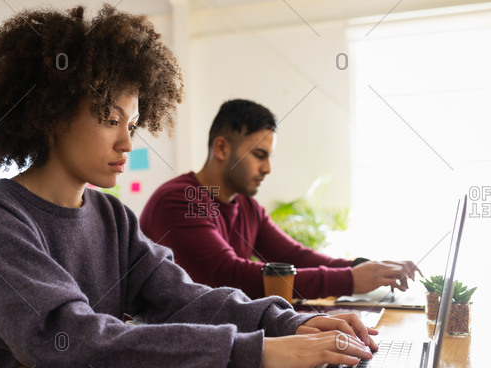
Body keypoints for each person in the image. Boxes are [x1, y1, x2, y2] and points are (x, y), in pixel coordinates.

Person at [0, 6, 378, 368]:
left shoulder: (111, 215)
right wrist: (256, 350)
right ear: (53, 114)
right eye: (111, 119)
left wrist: (288, 323)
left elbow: (183, 298)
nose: (127, 143)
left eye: (132, 123)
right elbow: (71, 337)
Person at [140, 99, 421, 300]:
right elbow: (226, 275)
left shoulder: (247, 206)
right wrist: (349, 280)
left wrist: (364, 267)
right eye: (259, 155)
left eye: (268, 158)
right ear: (222, 148)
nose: (267, 169)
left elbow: (295, 257)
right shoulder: (180, 200)